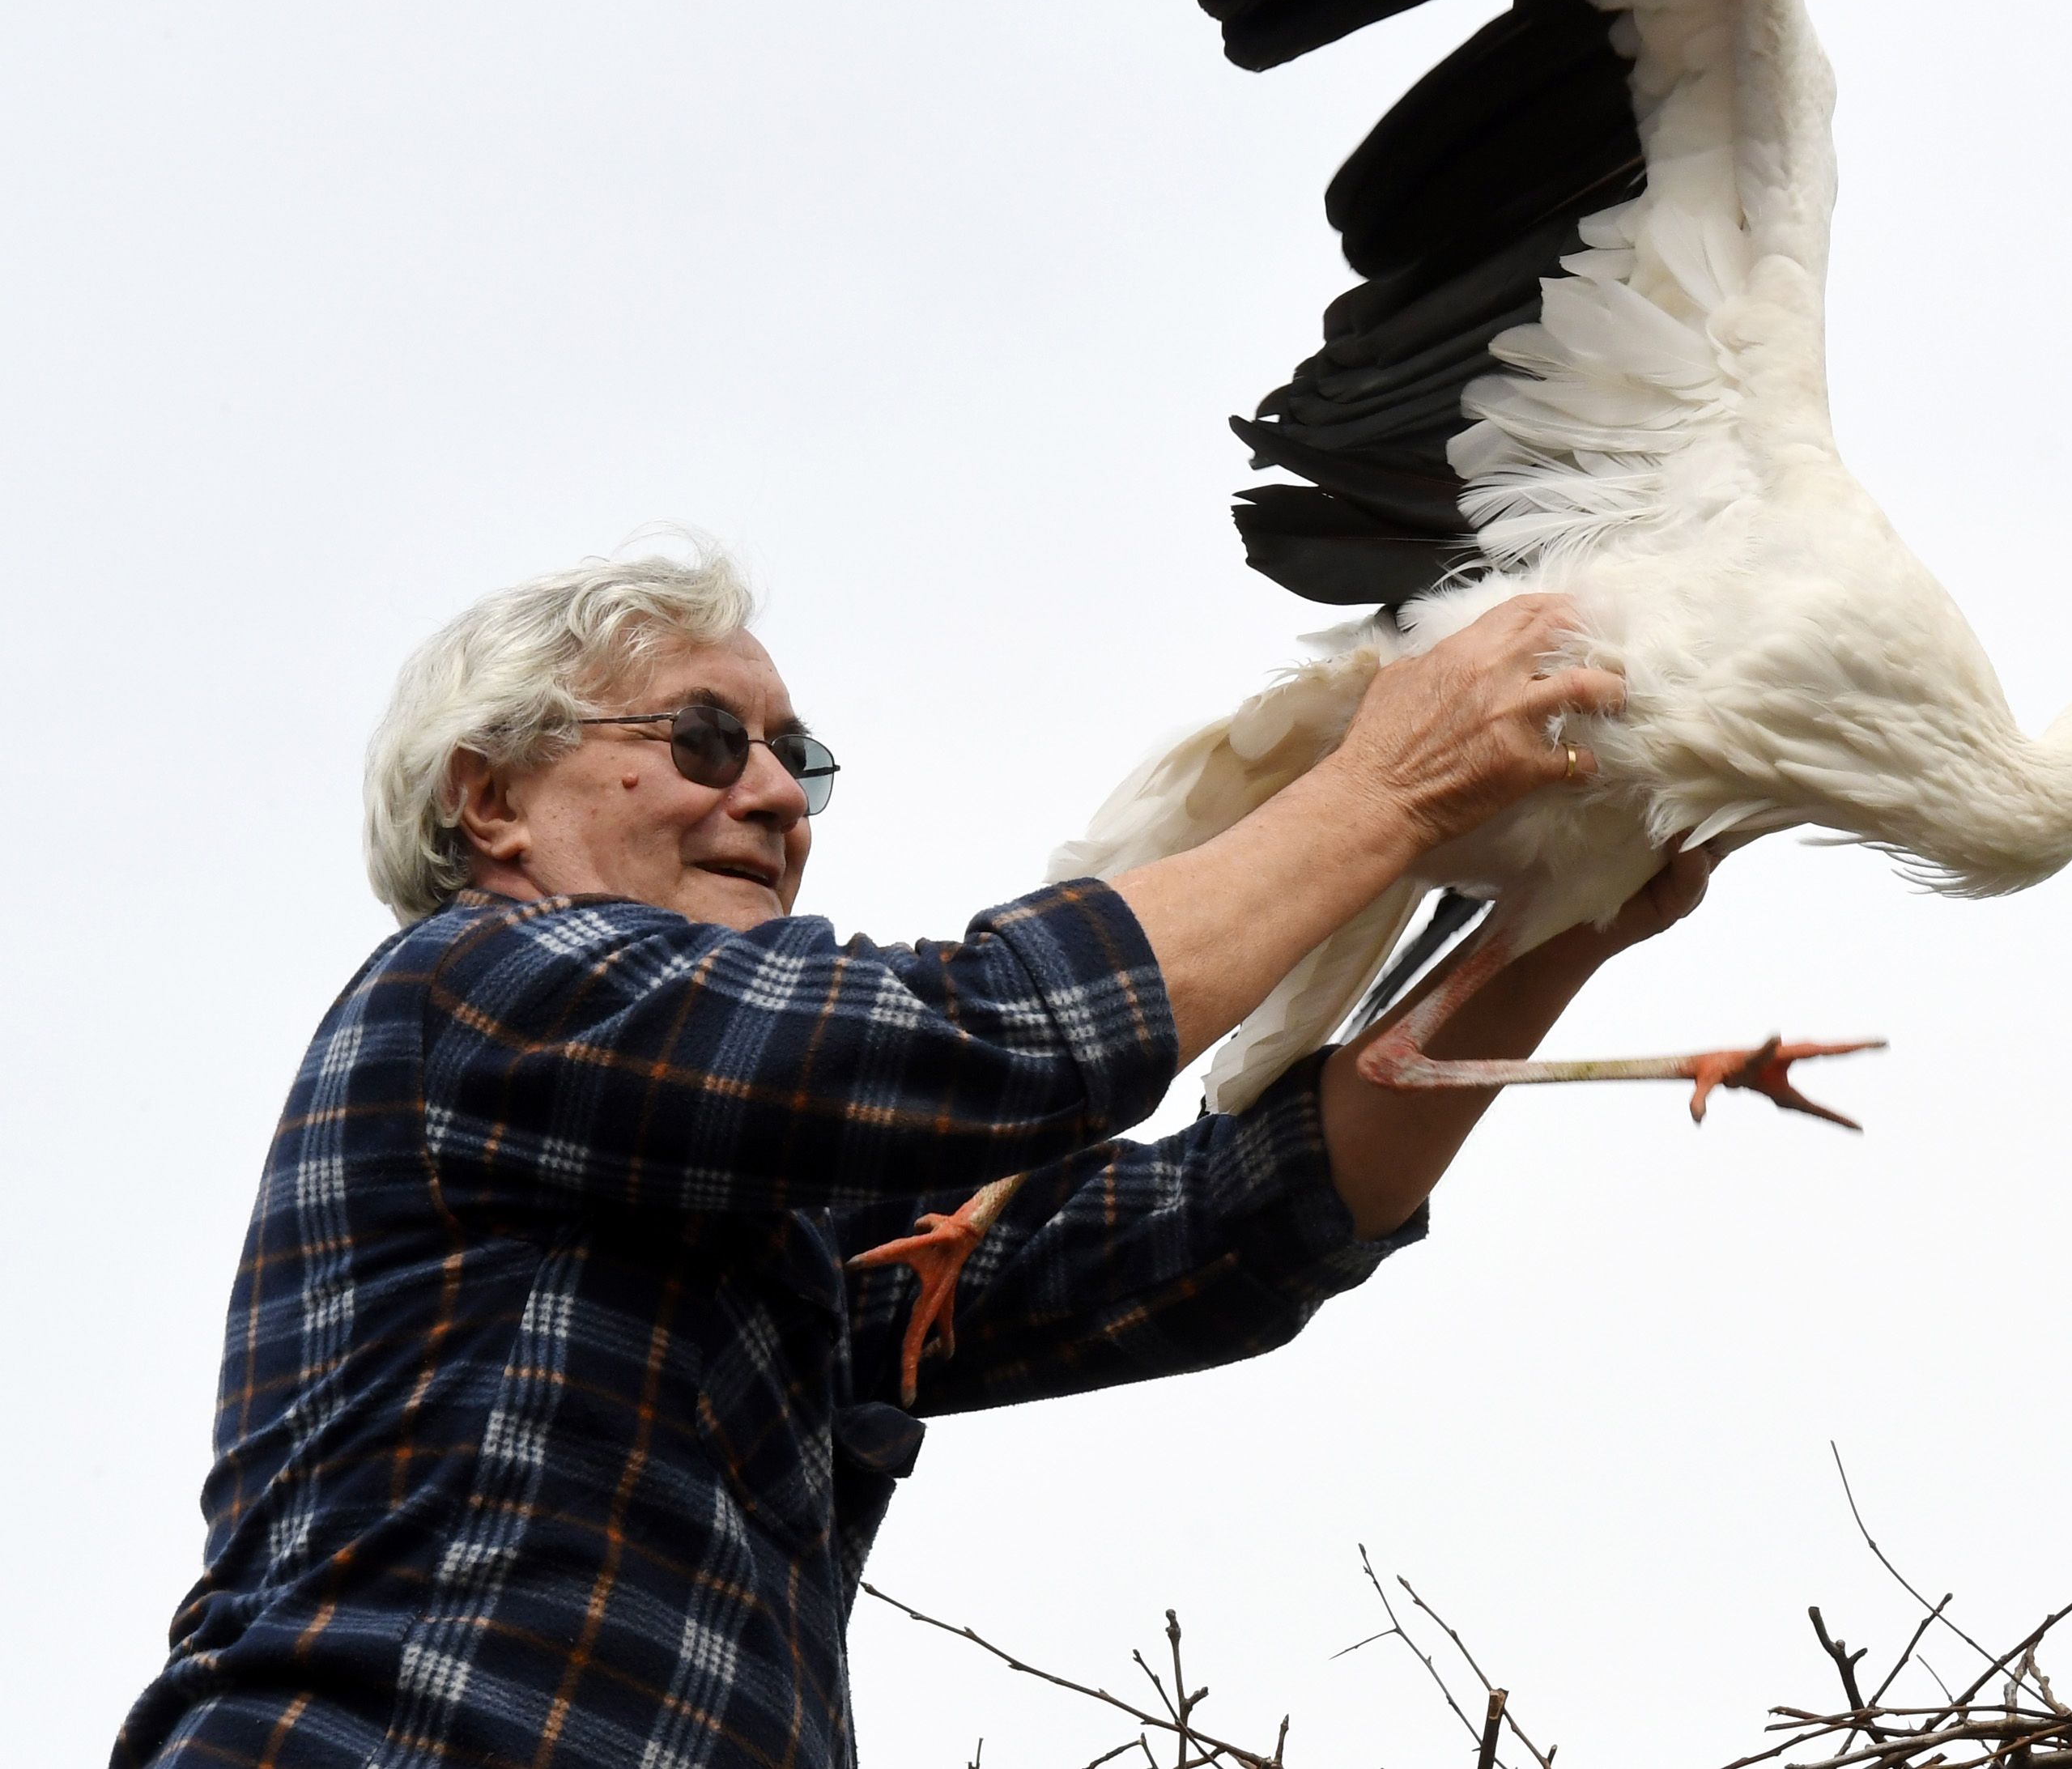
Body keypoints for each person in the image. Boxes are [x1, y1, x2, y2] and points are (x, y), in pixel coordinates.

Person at [115, 544, 1718, 1769]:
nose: (769, 794)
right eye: (701, 736)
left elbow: (1221, 1234)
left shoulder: (759, 1214)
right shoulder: (482, 994)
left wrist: (1546, 926)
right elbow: (998, 1036)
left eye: (793, 760)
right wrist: (1395, 781)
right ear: (492, 802)